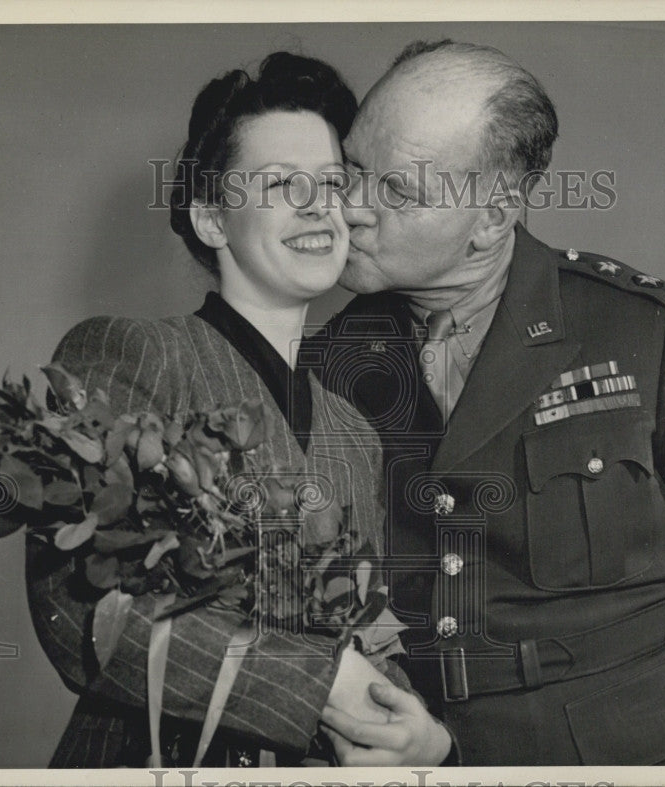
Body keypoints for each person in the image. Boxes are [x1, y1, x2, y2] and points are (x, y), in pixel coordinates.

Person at [310, 40, 665, 766]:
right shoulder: (328, 361)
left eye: (398, 192)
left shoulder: (645, 330)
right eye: (351, 170)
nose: (351, 209)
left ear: (492, 218)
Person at [25, 52, 451, 768]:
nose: (320, 206)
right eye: (282, 184)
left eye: (331, 184)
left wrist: (424, 737)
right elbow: (84, 608)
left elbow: (363, 634)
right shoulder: (129, 352)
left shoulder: (353, 432)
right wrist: (314, 685)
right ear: (211, 218)